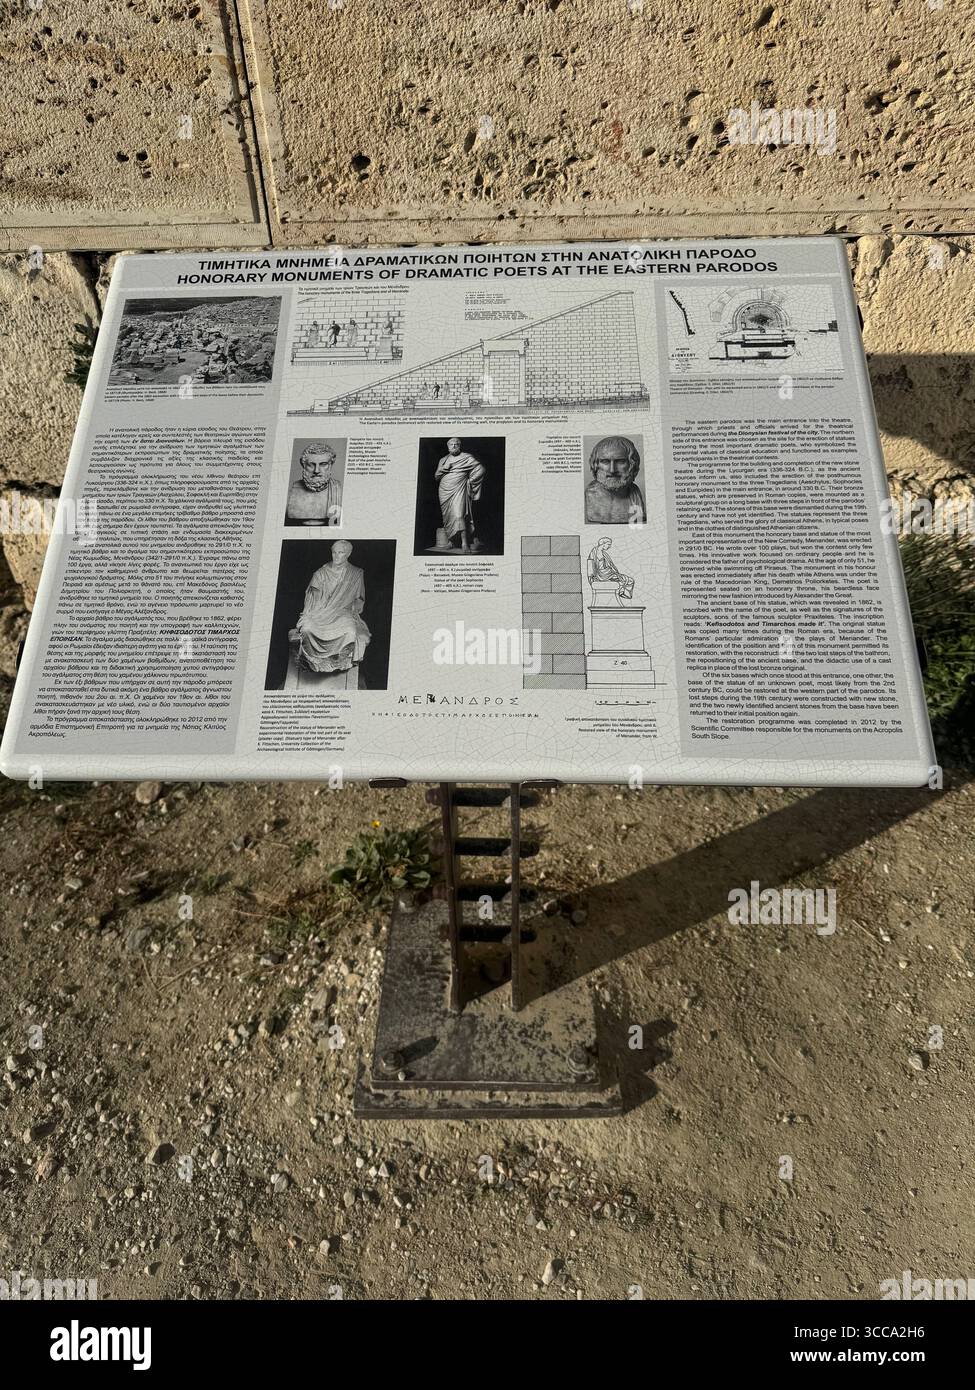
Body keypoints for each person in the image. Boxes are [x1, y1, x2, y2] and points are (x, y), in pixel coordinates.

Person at [289, 540, 370, 674]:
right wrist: (308, 615)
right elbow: (312, 601)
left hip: (343, 613)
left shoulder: (355, 573)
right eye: (334, 552)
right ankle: (314, 662)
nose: (337, 556)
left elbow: (359, 600)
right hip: (321, 613)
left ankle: (339, 661)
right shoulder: (320, 573)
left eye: (341, 553)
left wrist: (354, 612)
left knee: (350, 632)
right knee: (307, 629)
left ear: (348, 554)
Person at [434, 437, 486, 553]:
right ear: (448, 447)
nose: (453, 446)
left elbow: (480, 469)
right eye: (451, 444)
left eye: (456, 444)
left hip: (459, 489)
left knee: (459, 515)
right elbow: (436, 476)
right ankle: (451, 542)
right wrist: (443, 469)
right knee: (448, 517)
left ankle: (464, 543)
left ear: (459, 445)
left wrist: (470, 481)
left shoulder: (466, 457)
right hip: (444, 490)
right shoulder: (443, 460)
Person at [584, 436, 646, 525]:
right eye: (605, 461)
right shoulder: (591, 493)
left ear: (632, 464)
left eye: (620, 461)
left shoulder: (635, 494)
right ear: (595, 464)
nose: (612, 470)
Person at [286, 443, 343, 525]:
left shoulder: (337, 488)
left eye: (323, 464)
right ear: (303, 465)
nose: (316, 471)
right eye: (311, 465)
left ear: (331, 465)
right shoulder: (294, 489)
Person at [587, 537, 634, 603]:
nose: (609, 546)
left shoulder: (603, 553)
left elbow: (610, 565)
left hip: (608, 573)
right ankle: (622, 592)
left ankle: (622, 592)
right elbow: (591, 564)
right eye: (608, 544)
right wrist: (591, 577)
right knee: (629, 580)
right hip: (604, 575)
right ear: (603, 544)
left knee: (629, 580)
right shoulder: (595, 552)